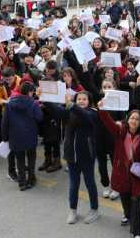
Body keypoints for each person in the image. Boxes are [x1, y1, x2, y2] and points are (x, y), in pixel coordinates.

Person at [97, 103, 140, 238]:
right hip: (121, 173)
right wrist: (103, 108)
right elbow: (108, 122)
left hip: (136, 176)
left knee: (136, 201)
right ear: (128, 119)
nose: (133, 121)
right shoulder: (120, 131)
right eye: (132, 118)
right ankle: (127, 215)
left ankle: (136, 231)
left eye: (137, 119)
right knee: (125, 198)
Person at [48, 91, 100, 225]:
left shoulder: (92, 113)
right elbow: (56, 111)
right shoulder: (69, 111)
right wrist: (45, 98)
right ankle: (73, 210)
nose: (81, 101)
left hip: (87, 156)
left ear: (89, 101)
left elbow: (84, 116)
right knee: (73, 184)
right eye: (79, 99)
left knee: (90, 183)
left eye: (84, 99)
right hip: (71, 155)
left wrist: (72, 105)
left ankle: (94, 209)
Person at [1, 81, 43, 190]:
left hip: (15, 137)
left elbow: (5, 122)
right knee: (31, 158)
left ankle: (22, 182)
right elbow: (39, 118)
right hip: (30, 135)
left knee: (19, 159)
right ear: (30, 92)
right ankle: (31, 179)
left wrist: (5, 137)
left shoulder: (10, 103)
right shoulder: (33, 103)